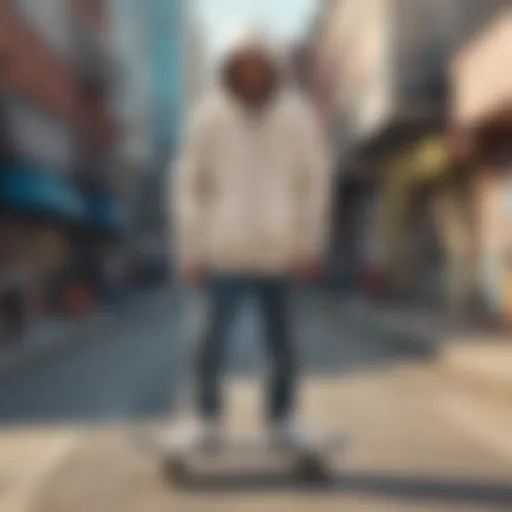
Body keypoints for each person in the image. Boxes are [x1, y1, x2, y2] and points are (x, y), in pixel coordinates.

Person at [171, 25, 330, 452]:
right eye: (244, 63)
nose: (253, 71)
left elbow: (312, 183)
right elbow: (189, 185)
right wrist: (191, 248)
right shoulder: (207, 116)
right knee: (207, 344)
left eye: (260, 62)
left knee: (284, 348)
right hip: (223, 253)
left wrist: (308, 244)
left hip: (279, 253)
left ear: (272, 66)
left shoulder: (296, 115)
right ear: (231, 66)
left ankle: (283, 421)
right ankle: (207, 421)